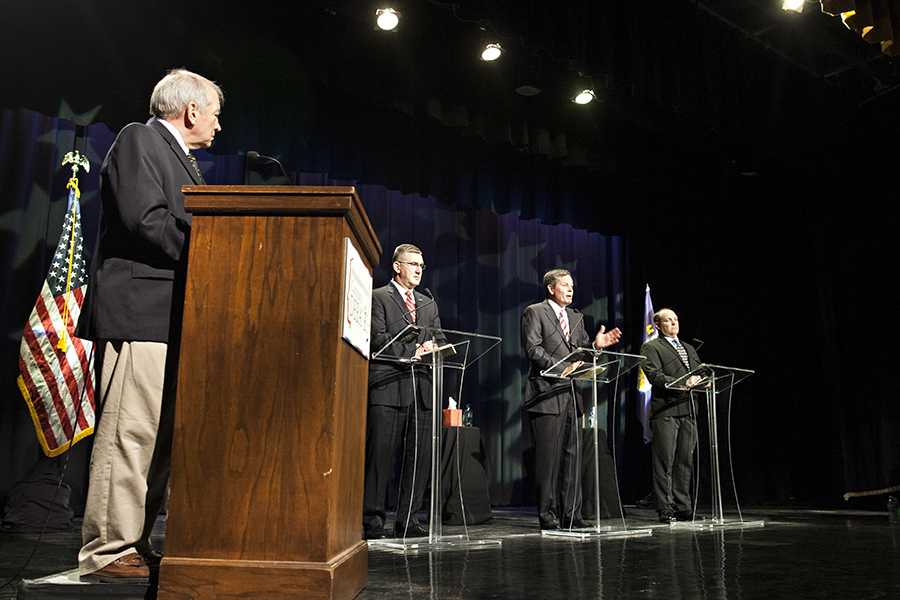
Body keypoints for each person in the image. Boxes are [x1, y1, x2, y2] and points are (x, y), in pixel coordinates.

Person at [75, 68, 222, 581]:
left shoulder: (184, 161)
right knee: (130, 434)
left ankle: (134, 541)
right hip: (139, 314)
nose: (218, 127)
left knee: (160, 441)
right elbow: (146, 219)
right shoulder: (139, 138)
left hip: (175, 318)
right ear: (191, 111)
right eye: (216, 115)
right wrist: (214, 254)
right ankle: (107, 551)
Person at [522, 268, 622, 530]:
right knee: (548, 460)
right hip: (546, 393)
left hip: (572, 395)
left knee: (572, 458)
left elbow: (582, 352)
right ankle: (548, 515)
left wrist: (596, 347)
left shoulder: (577, 317)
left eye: (572, 286)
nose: (570, 289)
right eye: (565, 285)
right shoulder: (535, 311)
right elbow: (533, 348)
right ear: (551, 288)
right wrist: (559, 367)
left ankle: (572, 515)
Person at [363, 244, 445, 540]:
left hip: (421, 390)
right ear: (397, 266)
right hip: (387, 387)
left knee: (418, 459)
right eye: (413, 264)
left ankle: (408, 520)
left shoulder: (428, 303)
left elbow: (439, 337)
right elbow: (376, 338)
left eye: (422, 265)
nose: (419, 270)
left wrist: (433, 348)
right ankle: (372, 521)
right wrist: (413, 349)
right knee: (379, 459)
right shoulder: (378, 297)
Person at [640, 308, 702, 523]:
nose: (674, 323)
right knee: (664, 462)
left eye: (676, 319)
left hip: (689, 408)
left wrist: (704, 380)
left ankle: (683, 507)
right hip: (665, 410)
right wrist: (682, 384)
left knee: (685, 461)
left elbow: (698, 372)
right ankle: (665, 508)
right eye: (669, 320)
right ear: (658, 325)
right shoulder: (651, 347)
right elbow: (654, 375)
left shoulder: (689, 348)